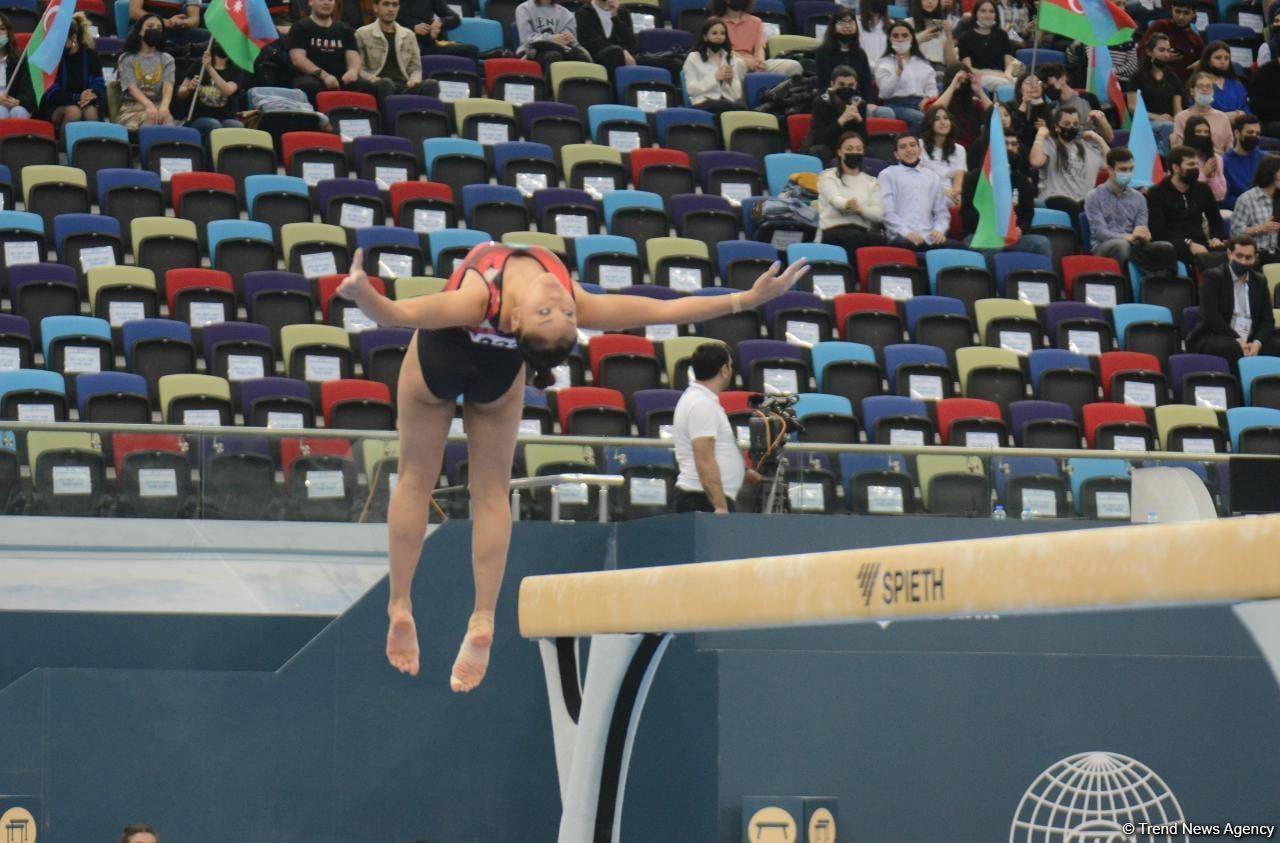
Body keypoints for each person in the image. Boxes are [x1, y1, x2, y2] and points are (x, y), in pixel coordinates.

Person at [336, 242, 809, 689]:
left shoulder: (481, 296)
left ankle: (401, 604)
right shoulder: (556, 295)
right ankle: (482, 615)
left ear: (517, 318)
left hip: (440, 360)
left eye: (555, 312)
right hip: (499, 379)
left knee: (417, 480)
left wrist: (364, 295)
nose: (561, 301)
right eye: (561, 313)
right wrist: (742, 299)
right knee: (491, 493)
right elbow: (662, 310)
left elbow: (398, 316)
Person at [672, 342, 746, 514]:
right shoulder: (702, 404)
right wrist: (720, 506)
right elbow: (704, 459)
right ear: (724, 370)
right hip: (703, 499)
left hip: (704, 496)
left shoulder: (702, 400)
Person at [960, 131, 1053, 265]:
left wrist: (1020, 229)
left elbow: (1027, 215)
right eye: (1005, 144)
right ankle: (992, 286)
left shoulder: (1022, 181)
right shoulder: (975, 178)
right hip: (979, 235)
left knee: (1041, 243)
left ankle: (1040, 283)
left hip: (1012, 237)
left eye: (1014, 144)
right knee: (992, 246)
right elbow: (967, 214)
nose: (1009, 148)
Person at [1186, 236, 1280, 361]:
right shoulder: (1213, 277)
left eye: (1248, 258)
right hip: (1217, 335)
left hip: (1250, 337)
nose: (1243, 261)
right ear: (1230, 254)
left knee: (1275, 346)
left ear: (1255, 257)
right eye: (1239, 256)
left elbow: (1267, 321)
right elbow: (1211, 317)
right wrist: (1238, 340)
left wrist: (1257, 343)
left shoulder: (1259, 281)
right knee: (1233, 348)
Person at [1084, 148, 1177, 271]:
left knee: (1166, 247)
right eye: (1123, 169)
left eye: (1131, 169)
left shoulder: (1139, 198)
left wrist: (1143, 235)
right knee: (1122, 245)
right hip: (1104, 246)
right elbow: (1100, 232)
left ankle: (1157, 286)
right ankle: (1124, 285)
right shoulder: (1094, 196)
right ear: (1110, 169)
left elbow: (1141, 227)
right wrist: (1127, 237)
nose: (1128, 173)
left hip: (1135, 245)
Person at [1146, 144, 1226, 267]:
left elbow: (1215, 219)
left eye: (1196, 164)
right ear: (1176, 168)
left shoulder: (1203, 189)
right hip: (1173, 245)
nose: (1195, 169)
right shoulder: (1156, 193)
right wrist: (1188, 244)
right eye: (1190, 165)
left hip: (1201, 242)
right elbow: (1158, 231)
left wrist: (1216, 237)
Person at [287, 0, 378, 104]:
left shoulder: (344, 29)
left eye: (330, 0)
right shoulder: (300, 27)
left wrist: (352, 72)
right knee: (309, 85)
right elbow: (298, 60)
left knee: (366, 86)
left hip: (340, 78)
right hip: (311, 77)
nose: (327, 3)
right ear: (310, 2)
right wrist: (324, 76)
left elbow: (354, 56)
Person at [878, 132, 957, 249]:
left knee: (962, 249)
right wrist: (906, 233)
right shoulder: (887, 175)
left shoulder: (933, 177)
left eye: (912, 145)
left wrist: (939, 230)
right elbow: (887, 212)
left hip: (929, 237)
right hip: (900, 237)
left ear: (920, 150)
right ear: (896, 154)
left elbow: (941, 212)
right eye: (903, 147)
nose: (909, 150)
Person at [1029, 106, 1109, 222]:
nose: (1071, 127)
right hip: (1055, 199)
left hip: (1083, 201)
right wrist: (1040, 135)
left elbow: (1112, 166)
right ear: (1057, 127)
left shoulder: (1086, 147)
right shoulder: (1049, 144)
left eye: (1075, 124)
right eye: (1066, 124)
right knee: (1070, 205)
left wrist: (1097, 138)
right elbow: (1035, 162)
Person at [818, 130, 886, 259]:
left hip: (861, 232)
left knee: (882, 242)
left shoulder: (871, 182)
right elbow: (835, 199)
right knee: (853, 238)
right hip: (833, 230)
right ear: (839, 152)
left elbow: (878, 214)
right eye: (849, 149)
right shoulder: (828, 175)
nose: (854, 152)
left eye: (859, 149)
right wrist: (847, 204)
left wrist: (859, 209)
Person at [37, 13, 103, 130]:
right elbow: (51, 91)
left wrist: (91, 94)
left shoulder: (90, 55)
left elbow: (99, 82)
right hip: (57, 106)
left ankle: (92, 147)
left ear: (73, 38)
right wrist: (76, 97)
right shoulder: (52, 57)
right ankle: (64, 147)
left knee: (90, 111)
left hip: (86, 102)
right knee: (74, 112)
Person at [356, 0, 431, 100]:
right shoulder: (362, 33)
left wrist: (414, 80)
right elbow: (359, 70)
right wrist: (374, 79)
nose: (391, 9)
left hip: (404, 85)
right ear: (375, 7)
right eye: (386, 4)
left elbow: (415, 68)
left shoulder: (409, 35)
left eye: (395, 5)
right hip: (376, 84)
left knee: (431, 84)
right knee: (386, 83)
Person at [709, 0, 803, 77]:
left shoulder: (756, 22)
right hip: (729, 62)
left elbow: (759, 48)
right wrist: (747, 62)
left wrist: (760, 62)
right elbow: (721, 50)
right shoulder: (714, 22)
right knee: (738, 65)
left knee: (793, 66)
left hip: (754, 62)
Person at [873, 22, 938, 132]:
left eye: (904, 35)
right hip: (896, 105)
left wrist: (928, 98)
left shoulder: (922, 62)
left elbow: (932, 89)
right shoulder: (884, 62)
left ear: (912, 38)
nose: (900, 39)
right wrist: (898, 71)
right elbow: (884, 93)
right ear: (889, 39)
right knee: (918, 118)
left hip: (920, 103)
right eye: (895, 36)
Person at [117, 15, 176, 131]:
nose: (154, 30)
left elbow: (168, 87)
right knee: (150, 118)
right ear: (140, 31)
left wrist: (164, 107)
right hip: (132, 108)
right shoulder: (127, 58)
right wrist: (149, 106)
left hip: (159, 107)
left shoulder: (167, 59)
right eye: (150, 26)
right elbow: (132, 88)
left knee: (167, 121)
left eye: (159, 29)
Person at [1127, 32, 1183, 153]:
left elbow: (1178, 108)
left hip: (1169, 121)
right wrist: (1157, 117)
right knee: (1168, 128)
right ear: (1149, 52)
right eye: (1161, 50)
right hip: (1145, 121)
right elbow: (1132, 107)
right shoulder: (1137, 77)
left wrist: (1178, 120)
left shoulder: (1173, 77)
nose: (1166, 55)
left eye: (1168, 51)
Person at [176, 42, 244, 140]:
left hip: (225, 117)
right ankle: (211, 155)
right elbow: (180, 93)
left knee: (237, 126)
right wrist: (188, 88)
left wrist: (210, 69)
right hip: (199, 118)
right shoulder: (200, 63)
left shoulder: (237, 69)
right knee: (213, 125)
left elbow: (227, 91)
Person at [803, 66, 869, 164]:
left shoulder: (860, 104)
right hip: (827, 147)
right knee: (821, 150)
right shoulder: (821, 102)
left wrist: (859, 122)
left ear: (856, 85)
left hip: (850, 148)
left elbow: (863, 140)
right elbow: (819, 138)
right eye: (841, 84)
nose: (846, 88)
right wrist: (841, 120)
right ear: (832, 84)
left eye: (851, 85)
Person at [1038, 62, 1114, 144]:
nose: (1046, 87)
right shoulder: (1050, 109)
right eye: (1043, 84)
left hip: (1093, 148)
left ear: (1063, 79)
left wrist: (1101, 120)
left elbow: (1109, 138)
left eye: (1048, 81)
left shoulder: (1088, 99)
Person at [682, 18, 746, 113]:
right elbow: (691, 90)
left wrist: (729, 82)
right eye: (714, 33)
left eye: (722, 33)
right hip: (702, 102)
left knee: (742, 109)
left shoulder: (730, 58)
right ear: (705, 37)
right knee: (724, 107)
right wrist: (715, 78)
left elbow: (736, 95)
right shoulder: (694, 58)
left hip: (727, 102)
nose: (719, 37)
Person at [924, 64, 991, 153]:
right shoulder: (936, 101)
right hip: (945, 149)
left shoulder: (975, 104)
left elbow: (996, 114)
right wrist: (953, 85)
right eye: (958, 81)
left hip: (972, 150)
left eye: (966, 82)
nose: (962, 85)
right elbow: (933, 112)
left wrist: (979, 91)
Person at [815, 8, 875, 104]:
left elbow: (866, 83)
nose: (847, 26)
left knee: (885, 112)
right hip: (832, 102)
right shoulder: (823, 52)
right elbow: (823, 83)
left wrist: (870, 103)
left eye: (851, 22)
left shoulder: (860, 53)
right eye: (842, 22)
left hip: (857, 101)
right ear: (833, 27)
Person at [1229, 154, 1280, 265]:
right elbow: (1234, 233)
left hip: (1276, 253)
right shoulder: (1247, 199)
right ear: (1270, 174)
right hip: (1254, 256)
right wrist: (1260, 228)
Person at [957, 0, 1017, 91]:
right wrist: (998, 75)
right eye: (983, 11)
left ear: (996, 15)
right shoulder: (965, 38)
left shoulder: (1002, 35)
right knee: (1009, 85)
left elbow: (1009, 63)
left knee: (1021, 83)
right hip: (978, 76)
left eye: (991, 11)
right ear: (976, 13)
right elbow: (968, 69)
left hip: (1002, 75)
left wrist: (1007, 74)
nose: (987, 15)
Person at [1137, 0, 1202, 82]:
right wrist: (1163, 57)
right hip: (1154, 82)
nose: (1181, 17)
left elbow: (1202, 61)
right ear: (1172, 9)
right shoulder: (1160, 27)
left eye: (1186, 13)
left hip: (1184, 85)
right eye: (1177, 11)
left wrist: (1197, 66)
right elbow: (1140, 51)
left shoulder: (1195, 39)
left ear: (1194, 14)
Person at [515, 0, 589, 71]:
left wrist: (569, 38)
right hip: (532, 51)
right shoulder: (524, 8)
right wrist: (550, 39)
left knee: (581, 58)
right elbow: (526, 39)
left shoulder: (566, 13)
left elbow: (570, 40)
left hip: (561, 49)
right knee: (553, 56)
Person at [1172, 71, 1232, 155]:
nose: (1205, 89)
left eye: (1208, 87)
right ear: (1192, 91)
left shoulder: (1222, 117)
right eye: (1200, 86)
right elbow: (1178, 149)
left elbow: (1229, 148)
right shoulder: (1181, 117)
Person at [575, 0, 638, 79]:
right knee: (615, 52)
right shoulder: (583, 13)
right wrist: (622, 51)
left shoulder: (622, 11)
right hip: (597, 56)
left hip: (625, 55)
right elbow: (590, 43)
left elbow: (632, 44)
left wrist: (615, 17)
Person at [129, 0, 208, 61]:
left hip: (175, 26)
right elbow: (134, 12)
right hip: (147, 24)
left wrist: (183, 22)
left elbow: (194, 19)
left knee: (210, 39)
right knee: (150, 35)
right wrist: (166, 22)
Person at [398, 0, 476, 60]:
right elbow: (387, 25)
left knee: (471, 50)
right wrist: (412, 29)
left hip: (427, 45)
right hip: (401, 46)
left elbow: (455, 18)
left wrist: (440, 22)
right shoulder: (392, 2)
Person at [1193, 40, 1249, 122]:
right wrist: (1225, 117)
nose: (1223, 62)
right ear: (1208, 61)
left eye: (1226, 58)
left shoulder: (1237, 85)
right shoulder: (1198, 84)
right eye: (1218, 58)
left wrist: (1242, 116)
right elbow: (1194, 115)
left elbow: (1246, 111)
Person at [920, 105, 965, 205]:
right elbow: (918, 177)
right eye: (937, 119)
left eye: (946, 118)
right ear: (930, 123)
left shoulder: (959, 150)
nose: (943, 122)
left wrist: (954, 194)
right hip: (925, 190)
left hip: (950, 194)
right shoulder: (919, 145)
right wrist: (943, 192)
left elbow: (958, 183)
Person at [1183, 114, 1227, 203]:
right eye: (1198, 131)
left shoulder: (1216, 159)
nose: (1203, 135)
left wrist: (1211, 178)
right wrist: (1203, 174)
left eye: (1206, 132)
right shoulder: (1180, 157)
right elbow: (1183, 189)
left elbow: (1220, 195)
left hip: (1210, 205)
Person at [1224, 114, 1264, 208]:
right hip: (1241, 211)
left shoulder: (1265, 159)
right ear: (1237, 133)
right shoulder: (1225, 163)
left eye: (1257, 134)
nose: (1254, 136)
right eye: (1250, 132)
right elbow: (1225, 198)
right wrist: (1248, 204)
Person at [1009, 68, 1051, 151]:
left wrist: (1046, 130)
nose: (1035, 86)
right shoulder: (1009, 106)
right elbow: (1013, 129)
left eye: (1038, 82)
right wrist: (1024, 104)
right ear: (1020, 88)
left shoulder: (1049, 108)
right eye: (1029, 83)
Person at [906, 0, 956, 67]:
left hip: (939, 68)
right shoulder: (908, 23)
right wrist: (919, 39)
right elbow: (901, 52)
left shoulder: (943, 24)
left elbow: (950, 62)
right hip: (915, 66)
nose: (930, 1)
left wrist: (949, 36)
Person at [0, 15, 30, 119]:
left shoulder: (19, 61)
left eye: (2, 29)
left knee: (19, 112)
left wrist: (18, 101)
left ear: (8, 33)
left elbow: (28, 95)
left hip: (14, 105)